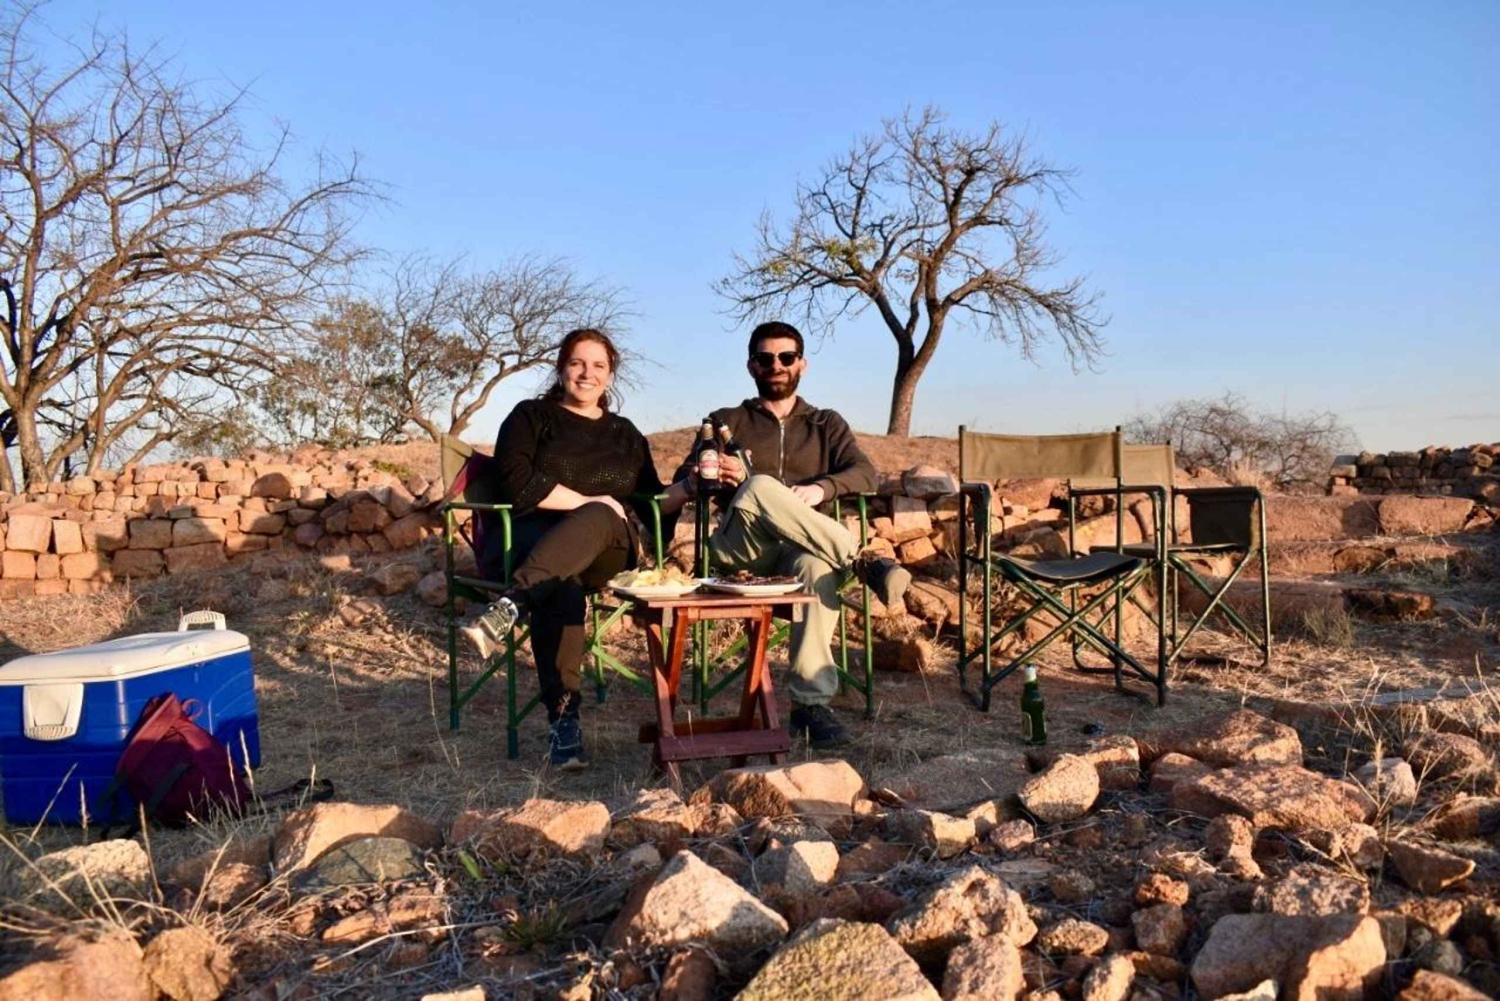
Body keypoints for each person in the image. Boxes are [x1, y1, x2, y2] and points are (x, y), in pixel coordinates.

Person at [460, 328, 692, 770]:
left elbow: (650, 504)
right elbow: (518, 481)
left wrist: (688, 488)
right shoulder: (531, 417)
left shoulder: (625, 434)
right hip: (535, 542)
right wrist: (591, 501)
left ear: (610, 374)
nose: (587, 374)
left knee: (603, 516)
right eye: (577, 363)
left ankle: (512, 603)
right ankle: (564, 721)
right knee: (559, 584)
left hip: (609, 549)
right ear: (561, 367)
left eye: (598, 365)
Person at [676, 320, 910, 748]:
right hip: (740, 551)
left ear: (802, 364)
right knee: (762, 486)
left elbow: (864, 472)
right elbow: (685, 480)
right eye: (766, 358)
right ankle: (861, 559)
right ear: (751, 366)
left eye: (786, 357)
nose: (776, 365)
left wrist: (819, 488)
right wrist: (712, 479)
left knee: (817, 569)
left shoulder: (825, 423)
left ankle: (811, 706)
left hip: (800, 551)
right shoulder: (726, 421)